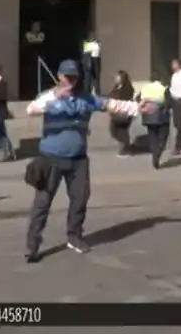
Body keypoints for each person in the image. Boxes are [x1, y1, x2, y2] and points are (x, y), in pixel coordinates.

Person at [24, 59, 139, 263]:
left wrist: (136, 107)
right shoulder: (49, 98)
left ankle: (74, 236)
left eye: (74, 77)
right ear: (59, 76)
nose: (70, 81)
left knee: (80, 198)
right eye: (67, 77)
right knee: (42, 203)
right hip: (51, 158)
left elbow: (109, 104)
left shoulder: (86, 99)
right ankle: (32, 245)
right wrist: (53, 96)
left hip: (78, 159)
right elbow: (31, 109)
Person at [137, 74, 173, 169]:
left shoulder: (145, 88)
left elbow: (138, 98)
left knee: (153, 137)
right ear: (160, 79)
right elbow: (169, 102)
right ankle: (156, 156)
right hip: (161, 116)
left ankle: (155, 154)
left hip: (148, 116)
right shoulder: (163, 88)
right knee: (163, 138)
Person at [108, 71, 135, 157]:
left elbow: (126, 100)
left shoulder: (127, 89)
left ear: (122, 78)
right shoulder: (116, 87)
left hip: (124, 113)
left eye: (118, 77)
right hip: (115, 112)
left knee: (122, 131)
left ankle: (126, 149)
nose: (116, 78)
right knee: (113, 130)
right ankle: (125, 147)